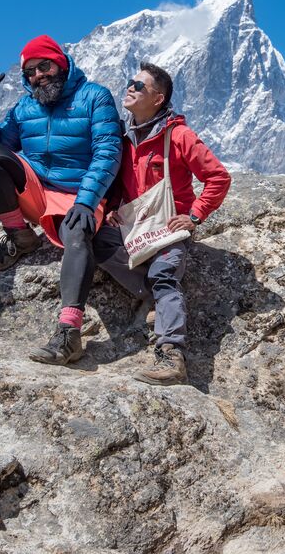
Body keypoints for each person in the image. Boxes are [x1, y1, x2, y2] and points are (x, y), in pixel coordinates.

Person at [0, 34, 122, 365]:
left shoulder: (94, 97)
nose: (39, 76)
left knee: (78, 236)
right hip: (37, 191)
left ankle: (69, 333)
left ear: (61, 63)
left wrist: (86, 200)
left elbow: (108, 151)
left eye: (45, 66)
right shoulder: (24, 107)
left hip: (79, 194)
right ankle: (19, 235)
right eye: (31, 72)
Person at [92, 62, 231, 385]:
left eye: (139, 86)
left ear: (158, 99)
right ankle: (154, 297)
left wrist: (194, 216)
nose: (130, 88)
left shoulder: (179, 135)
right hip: (135, 227)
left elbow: (218, 177)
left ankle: (171, 355)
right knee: (96, 240)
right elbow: (118, 185)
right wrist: (113, 207)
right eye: (130, 82)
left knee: (164, 274)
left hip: (168, 230)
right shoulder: (125, 140)